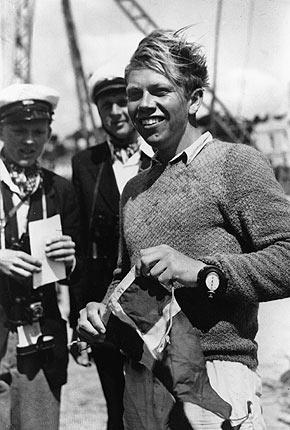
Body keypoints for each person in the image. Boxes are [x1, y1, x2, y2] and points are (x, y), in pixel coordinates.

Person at [77, 29, 290, 430]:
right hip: (143, 383)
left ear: (194, 99)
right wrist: (101, 312)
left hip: (216, 379)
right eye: (134, 94)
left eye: (159, 91)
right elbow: (126, 278)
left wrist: (202, 272)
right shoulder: (134, 189)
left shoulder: (235, 164)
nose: (143, 105)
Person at [71, 74, 153, 430]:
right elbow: (77, 248)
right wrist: (80, 321)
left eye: (123, 102)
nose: (117, 112)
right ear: (98, 111)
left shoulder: (161, 154)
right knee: (118, 412)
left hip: (159, 309)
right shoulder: (85, 164)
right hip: (105, 312)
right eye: (107, 106)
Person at [0, 83, 80, 430]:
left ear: (48, 132)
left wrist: (71, 259)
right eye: (19, 130)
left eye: (38, 131)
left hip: (41, 341)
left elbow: (79, 273)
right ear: (1, 130)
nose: (29, 141)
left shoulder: (59, 189)